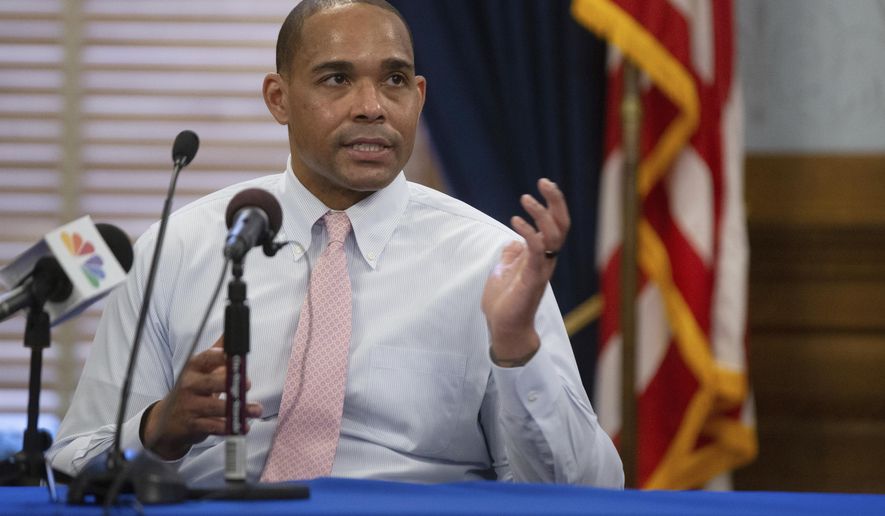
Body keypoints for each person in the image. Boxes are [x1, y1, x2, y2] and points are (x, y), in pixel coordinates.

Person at [48, 0, 623, 488]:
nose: (371, 105)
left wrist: (517, 347)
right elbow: (70, 463)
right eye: (337, 79)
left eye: (394, 79)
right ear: (279, 98)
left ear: (419, 97)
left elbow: (587, 489)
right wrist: (159, 429)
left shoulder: (491, 262)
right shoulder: (178, 249)